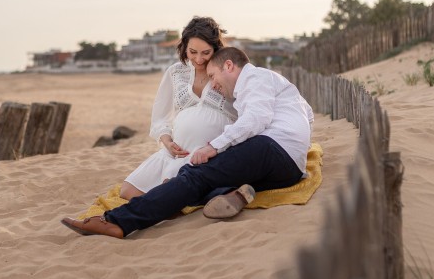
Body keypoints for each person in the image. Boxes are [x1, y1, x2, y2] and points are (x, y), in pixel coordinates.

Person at [61, 46, 315, 239]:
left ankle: (116, 221)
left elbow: (256, 119)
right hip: (290, 170)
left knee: (193, 175)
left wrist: (213, 146)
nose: (214, 84)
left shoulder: (255, 78)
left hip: (271, 150)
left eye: (214, 75)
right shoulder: (275, 82)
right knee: (211, 181)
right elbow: (309, 116)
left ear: (229, 66)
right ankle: (232, 195)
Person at [119, 16, 237, 200]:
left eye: (206, 53)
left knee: (170, 192)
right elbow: (160, 116)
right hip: (176, 152)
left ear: (216, 48)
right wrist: (167, 142)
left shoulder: (227, 70)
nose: (199, 59)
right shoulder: (176, 72)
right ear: (184, 47)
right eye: (193, 52)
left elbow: (246, 112)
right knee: (128, 191)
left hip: (211, 154)